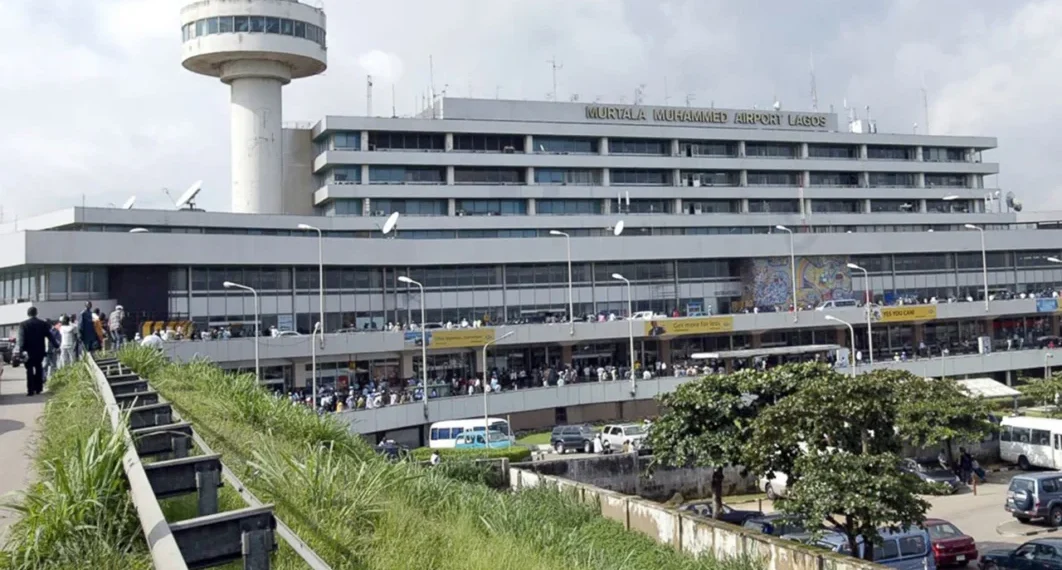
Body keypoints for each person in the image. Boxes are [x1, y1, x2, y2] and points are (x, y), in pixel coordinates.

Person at [18, 306, 55, 396]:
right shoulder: (42, 324)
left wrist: (21, 350)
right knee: (38, 368)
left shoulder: (23, 324)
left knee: (29, 370)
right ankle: (38, 388)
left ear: (28, 314)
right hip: (39, 351)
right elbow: (49, 335)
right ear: (36, 313)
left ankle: (30, 390)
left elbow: (21, 339)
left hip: (28, 352)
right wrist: (56, 344)